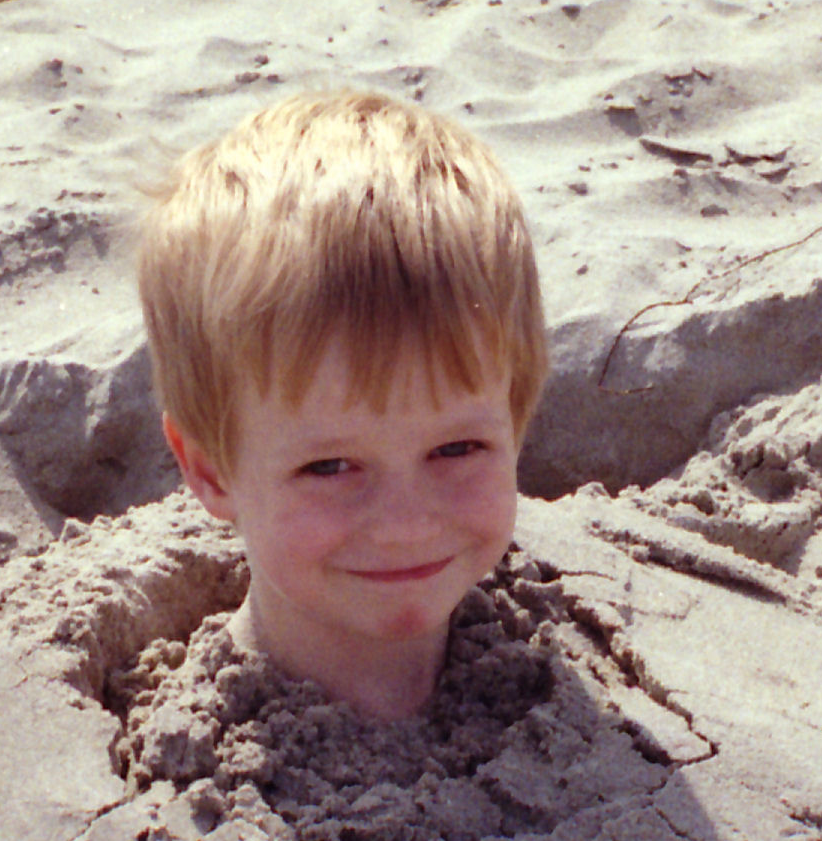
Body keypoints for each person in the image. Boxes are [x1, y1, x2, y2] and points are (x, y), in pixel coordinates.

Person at [138, 89, 549, 722]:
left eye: (456, 448)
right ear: (210, 470)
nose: (406, 526)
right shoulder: (171, 768)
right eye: (330, 467)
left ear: (515, 425)